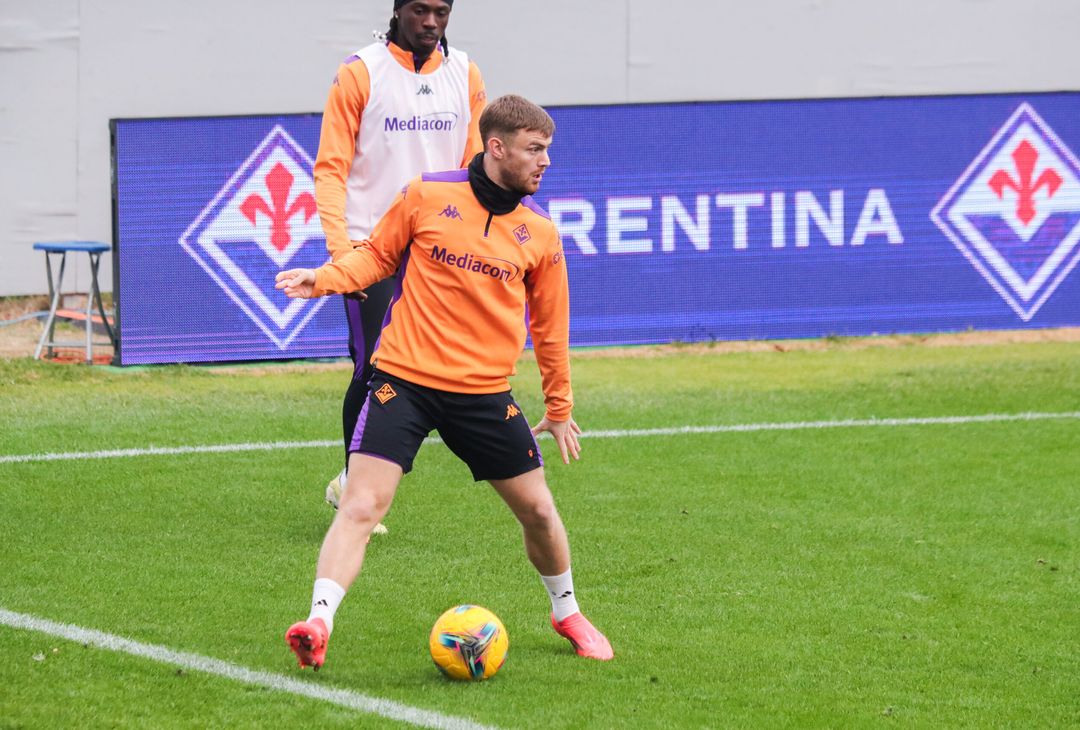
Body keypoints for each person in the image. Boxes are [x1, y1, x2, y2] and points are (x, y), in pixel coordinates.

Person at [276, 94, 614, 669]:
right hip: (402, 381)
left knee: (537, 511)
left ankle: (567, 612)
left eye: (548, 150)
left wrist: (559, 407)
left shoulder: (541, 234)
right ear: (497, 146)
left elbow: (551, 331)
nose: (545, 162)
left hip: (483, 393)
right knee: (361, 505)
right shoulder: (426, 193)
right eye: (535, 149)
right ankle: (318, 621)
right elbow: (377, 257)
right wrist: (326, 278)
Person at [316, 0, 486, 520]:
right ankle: (354, 492)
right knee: (373, 368)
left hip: (439, 254)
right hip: (373, 249)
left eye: (441, 11)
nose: (431, 22)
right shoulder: (360, 72)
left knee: (430, 373)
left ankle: (356, 479)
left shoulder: (466, 72)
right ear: (397, 10)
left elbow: (473, 166)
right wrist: (342, 254)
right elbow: (331, 169)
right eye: (420, 10)